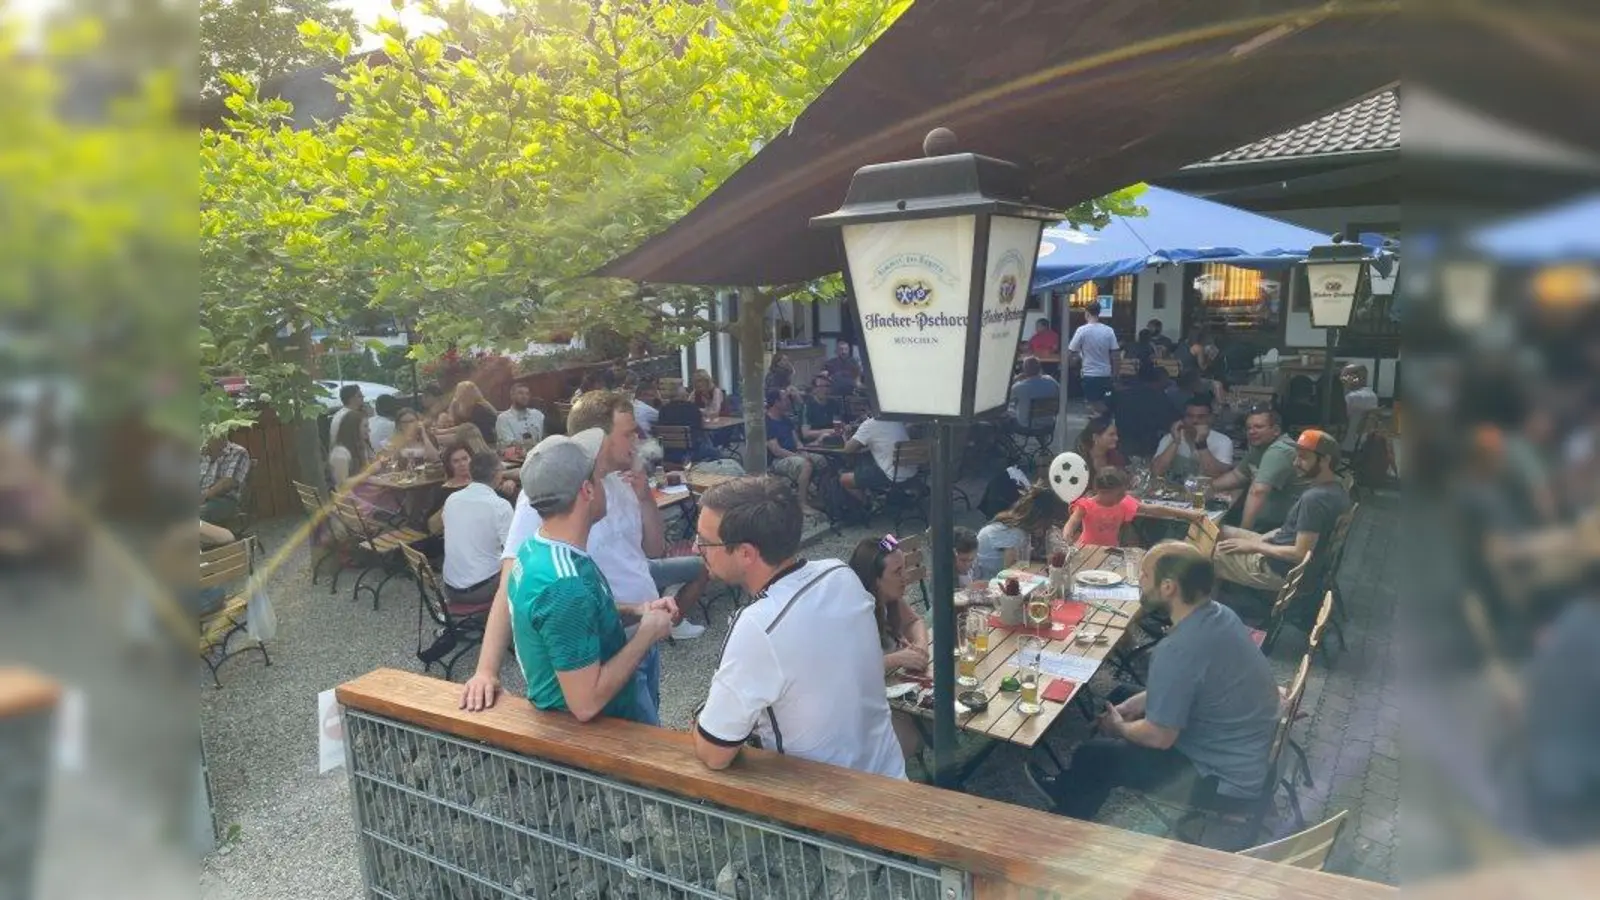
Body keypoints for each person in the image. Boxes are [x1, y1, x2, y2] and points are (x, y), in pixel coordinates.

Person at [459, 395, 711, 711]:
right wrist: (485, 670)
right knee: (637, 740)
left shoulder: (622, 482)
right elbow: (509, 587)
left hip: (641, 631)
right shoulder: (554, 492)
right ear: (601, 438)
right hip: (602, 652)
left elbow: (652, 550)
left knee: (648, 718)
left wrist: (645, 498)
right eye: (628, 433)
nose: (638, 440)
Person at [1030, 542, 1281, 821]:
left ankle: (1065, 820)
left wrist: (1120, 728)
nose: (1140, 581)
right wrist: (1133, 706)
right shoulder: (1220, 614)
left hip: (1222, 779)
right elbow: (1189, 683)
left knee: (1094, 756)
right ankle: (1076, 788)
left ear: (1168, 587)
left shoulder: (1177, 650)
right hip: (1243, 748)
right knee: (1122, 693)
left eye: (1145, 575)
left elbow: (1160, 737)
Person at [691, 476, 905, 778]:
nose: (695, 548)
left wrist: (701, 719)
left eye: (704, 541)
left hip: (826, 810)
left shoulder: (758, 625)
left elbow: (714, 752)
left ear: (746, 553)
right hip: (890, 776)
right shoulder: (840, 573)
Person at [502, 431, 675, 724]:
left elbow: (581, 615)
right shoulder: (564, 585)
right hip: (598, 743)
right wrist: (647, 634)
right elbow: (585, 703)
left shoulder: (537, 547)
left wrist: (636, 611)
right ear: (587, 490)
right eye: (600, 478)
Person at [1214, 430, 1351, 593]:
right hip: (1281, 549)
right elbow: (1299, 533)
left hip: (1277, 569)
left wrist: (1253, 546)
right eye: (1296, 456)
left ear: (1325, 460)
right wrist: (1261, 539)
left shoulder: (1315, 499)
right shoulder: (1337, 488)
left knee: (1200, 553)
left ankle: (1212, 609)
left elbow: (1300, 554)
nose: (1295, 463)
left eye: (1303, 457)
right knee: (1217, 531)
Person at [849, 534, 932, 758]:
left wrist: (920, 646)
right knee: (912, 735)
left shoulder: (889, 597)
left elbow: (915, 621)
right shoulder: (856, 611)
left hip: (895, 688)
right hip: (864, 706)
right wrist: (898, 659)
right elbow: (851, 669)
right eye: (897, 572)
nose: (905, 577)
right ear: (875, 579)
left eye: (904, 568)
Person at [439, 451, 515, 611]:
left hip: (450, 588)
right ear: (497, 475)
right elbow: (513, 551)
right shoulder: (500, 506)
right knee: (522, 570)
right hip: (481, 589)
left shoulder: (452, 499)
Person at [1207, 408, 1302, 532]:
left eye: (1258, 427)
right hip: (1267, 525)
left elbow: (1258, 492)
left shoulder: (1280, 450)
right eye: (1249, 428)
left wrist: (1243, 533)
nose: (1252, 431)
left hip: (1283, 528)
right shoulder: (1258, 448)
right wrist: (1205, 488)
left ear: (1276, 431)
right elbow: (1237, 476)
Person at [1063, 468, 1205, 548]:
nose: (1123, 496)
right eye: (1119, 493)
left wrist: (1187, 513)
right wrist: (1067, 538)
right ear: (1102, 491)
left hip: (1111, 550)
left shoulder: (1123, 502)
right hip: (1086, 549)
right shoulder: (1085, 505)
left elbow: (1154, 509)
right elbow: (1071, 524)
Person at [975, 482, 1068, 579]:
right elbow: (1009, 572)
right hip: (986, 579)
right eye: (1046, 524)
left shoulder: (1016, 523)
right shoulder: (1016, 534)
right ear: (1038, 519)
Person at [764, 389, 824, 509]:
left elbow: (797, 442)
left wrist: (804, 451)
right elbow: (776, 450)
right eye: (786, 399)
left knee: (822, 460)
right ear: (776, 402)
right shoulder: (766, 422)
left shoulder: (786, 419)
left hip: (794, 453)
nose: (789, 402)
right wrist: (798, 456)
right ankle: (802, 503)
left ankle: (819, 497)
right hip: (778, 460)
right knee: (805, 464)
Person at [838, 409, 914, 502]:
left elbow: (848, 449)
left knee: (844, 479)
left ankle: (868, 505)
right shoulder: (897, 421)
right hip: (911, 473)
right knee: (866, 464)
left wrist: (844, 435)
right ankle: (874, 497)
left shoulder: (869, 424)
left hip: (891, 476)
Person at [1152, 397, 1234, 480]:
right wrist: (1176, 441)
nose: (1195, 421)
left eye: (1201, 417)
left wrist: (1201, 444)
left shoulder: (1223, 441)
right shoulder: (1170, 438)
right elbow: (1156, 472)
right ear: (1183, 418)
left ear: (1210, 418)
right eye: (1190, 416)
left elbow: (1217, 475)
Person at [1111, 363, 1179, 459]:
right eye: (1166, 380)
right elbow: (1172, 423)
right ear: (1160, 380)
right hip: (1147, 447)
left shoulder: (1122, 394)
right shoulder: (1159, 398)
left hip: (1122, 444)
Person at [1067, 304, 1119, 412]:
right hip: (1106, 373)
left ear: (1087, 314)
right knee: (1103, 401)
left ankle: (1106, 419)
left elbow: (1071, 351)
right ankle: (1104, 421)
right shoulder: (1109, 330)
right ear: (1098, 313)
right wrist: (1115, 373)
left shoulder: (1082, 330)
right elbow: (1115, 354)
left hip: (1090, 373)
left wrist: (1066, 364)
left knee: (1093, 402)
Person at [200, 435, 251, 525]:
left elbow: (229, 482)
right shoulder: (200, 452)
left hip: (224, 501)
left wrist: (203, 497)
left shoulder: (237, 452)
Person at [656, 384, 715, 463]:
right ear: (684, 396)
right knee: (716, 453)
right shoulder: (692, 408)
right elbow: (702, 426)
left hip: (669, 452)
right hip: (692, 451)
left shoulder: (663, 410)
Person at [1008, 356, 1060, 432]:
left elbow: (1006, 398)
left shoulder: (1019, 387)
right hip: (1049, 422)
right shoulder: (1052, 382)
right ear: (1040, 369)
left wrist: (1015, 380)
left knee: (1004, 415)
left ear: (1024, 370)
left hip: (1027, 424)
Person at [1075, 415, 1128, 483]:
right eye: (1111, 435)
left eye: (1116, 434)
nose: (1116, 438)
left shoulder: (1117, 458)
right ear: (1095, 437)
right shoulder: (1079, 460)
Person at [327, 409, 371, 488]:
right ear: (354, 428)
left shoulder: (360, 447)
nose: (369, 430)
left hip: (361, 490)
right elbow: (342, 485)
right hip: (349, 497)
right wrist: (369, 473)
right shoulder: (340, 453)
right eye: (365, 426)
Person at [449, 381, 500, 446]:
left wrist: (443, 431)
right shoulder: (458, 407)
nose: (456, 394)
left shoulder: (480, 408)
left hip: (487, 441)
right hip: (473, 439)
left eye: (458, 392)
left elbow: (468, 428)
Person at [496, 382, 546, 448]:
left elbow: (546, 436)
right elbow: (509, 443)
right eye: (520, 393)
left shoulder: (537, 414)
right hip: (518, 457)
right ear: (512, 396)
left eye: (527, 394)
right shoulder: (503, 418)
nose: (524, 396)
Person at [800, 375, 841, 441]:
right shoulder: (807, 406)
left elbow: (838, 425)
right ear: (814, 389)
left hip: (833, 440)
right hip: (814, 443)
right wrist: (828, 431)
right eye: (821, 386)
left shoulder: (834, 404)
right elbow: (806, 434)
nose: (825, 389)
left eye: (827, 386)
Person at [328, 383, 364, 448]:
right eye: (359, 396)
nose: (363, 398)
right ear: (351, 399)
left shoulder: (340, 413)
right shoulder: (351, 416)